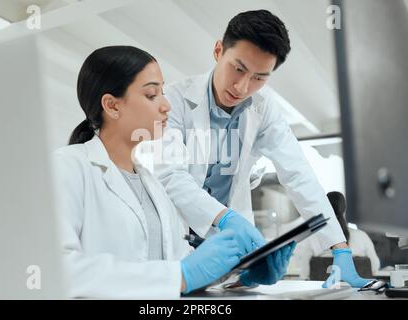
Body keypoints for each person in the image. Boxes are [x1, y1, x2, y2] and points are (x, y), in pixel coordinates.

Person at [153, 9, 374, 288]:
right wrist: (225, 218)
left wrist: (339, 247)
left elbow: (298, 174)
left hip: (233, 256)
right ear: (218, 50)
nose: (243, 86)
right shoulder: (173, 100)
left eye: (260, 77)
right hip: (177, 241)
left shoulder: (264, 108)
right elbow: (171, 175)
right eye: (239, 68)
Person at [53, 46, 294, 298]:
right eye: (151, 95)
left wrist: (240, 274)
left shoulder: (153, 185)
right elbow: (57, 270)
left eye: (163, 93)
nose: (166, 106)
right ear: (112, 106)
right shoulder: (69, 167)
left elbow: (180, 270)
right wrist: (181, 275)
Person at [294, 192, 379, 282]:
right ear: (344, 209)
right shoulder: (362, 236)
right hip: (358, 293)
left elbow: (304, 272)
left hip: (322, 293)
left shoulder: (313, 238)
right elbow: (374, 267)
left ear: (325, 208)